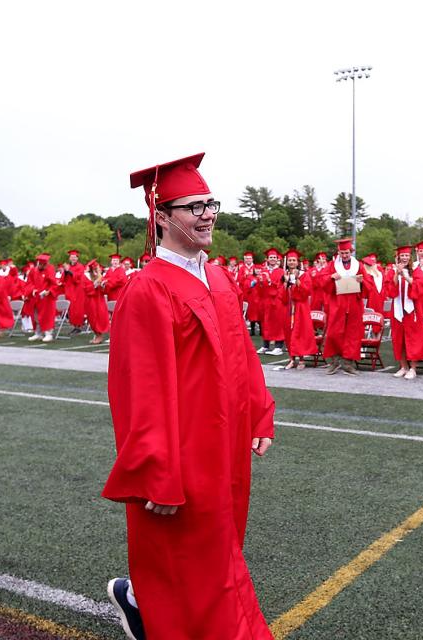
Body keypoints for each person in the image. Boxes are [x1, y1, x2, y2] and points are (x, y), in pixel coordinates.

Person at [104, 153, 275, 640]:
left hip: (226, 440)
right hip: (185, 451)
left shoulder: (217, 277)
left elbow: (243, 351)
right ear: (161, 216)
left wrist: (259, 413)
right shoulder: (148, 289)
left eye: (209, 204)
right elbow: (141, 387)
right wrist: (157, 469)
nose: (206, 215)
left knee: (218, 548)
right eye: (192, 206)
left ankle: (137, 600)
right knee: (198, 558)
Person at [317, 238, 367, 375]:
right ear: (338, 252)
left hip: (354, 305)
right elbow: (322, 280)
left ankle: (348, 363)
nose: (344, 255)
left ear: (351, 252)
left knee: (352, 334)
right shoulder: (332, 265)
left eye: (347, 252)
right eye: (342, 253)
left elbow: (368, 285)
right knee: (333, 333)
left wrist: (361, 281)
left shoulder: (359, 266)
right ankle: (334, 361)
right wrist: (331, 277)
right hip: (337, 304)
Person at [385, 245, 423, 379]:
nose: (404, 258)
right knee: (399, 338)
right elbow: (390, 290)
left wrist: (406, 276)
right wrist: (397, 274)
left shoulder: (416, 270)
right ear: (398, 257)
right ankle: (403, 366)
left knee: (413, 339)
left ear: (410, 257)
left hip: (412, 311)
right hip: (397, 311)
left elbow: (420, 288)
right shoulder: (392, 271)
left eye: (406, 256)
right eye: (402, 255)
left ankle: (413, 369)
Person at [282, 249, 317, 369]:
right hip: (288, 307)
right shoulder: (284, 275)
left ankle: (301, 359)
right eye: (290, 260)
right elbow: (281, 294)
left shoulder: (304, 274)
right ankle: (292, 358)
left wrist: (297, 282)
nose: (291, 262)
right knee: (289, 332)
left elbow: (307, 291)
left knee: (300, 332)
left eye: (294, 260)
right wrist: (285, 284)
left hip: (300, 307)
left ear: (297, 262)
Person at [256, 249, 286, 356]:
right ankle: (265, 345)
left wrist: (269, 281)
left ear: (277, 259)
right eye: (271, 257)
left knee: (278, 323)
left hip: (277, 300)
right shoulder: (264, 271)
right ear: (267, 259)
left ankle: (278, 346)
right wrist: (259, 283)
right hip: (265, 300)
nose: (272, 259)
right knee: (265, 323)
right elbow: (260, 289)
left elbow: (280, 286)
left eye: (274, 257)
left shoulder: (281, 271)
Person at [28, 253, 58, 342]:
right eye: (40, 264)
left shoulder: (50, 269)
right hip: (36, 297)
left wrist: (48, 291)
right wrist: (32, 290)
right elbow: (30, 282)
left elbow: (54, 284)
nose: (41, 266)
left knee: (47, 316)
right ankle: (38, 333)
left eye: (43, 264)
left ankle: (48, 333)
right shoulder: (34, 270)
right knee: (36, 315)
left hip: (47, 298)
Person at [82, 259, 111, 345]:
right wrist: (95, 284)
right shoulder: (86, 277)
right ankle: (97, 334)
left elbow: (104, 290)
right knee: (92, 319)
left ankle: (100, 336)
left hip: (99, 300)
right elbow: (86, 289)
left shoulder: (99, 276)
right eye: (94, 269)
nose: (96, 270)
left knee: (100, 318)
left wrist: (102, 285)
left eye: (97, 268)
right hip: (90, 301)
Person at [63, 249, 86, 335]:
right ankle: (74, 326)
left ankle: (79, 326)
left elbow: (78, 277)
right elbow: (64, 278)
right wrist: (65, 271)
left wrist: (69, 271)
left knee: (78, 309)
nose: (73, 258)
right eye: (71, 257)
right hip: (69, 290)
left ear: (77, 258)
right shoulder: (68, 266)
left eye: (74, 257)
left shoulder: (80, 266)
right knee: (71, 309)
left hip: (78, 290)